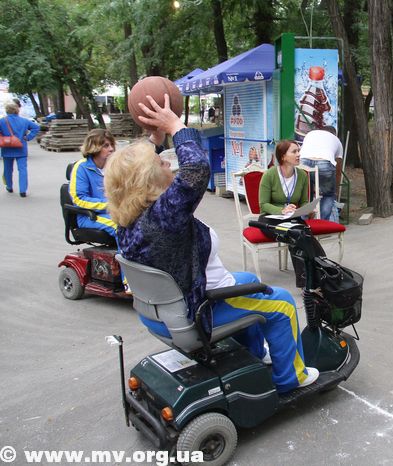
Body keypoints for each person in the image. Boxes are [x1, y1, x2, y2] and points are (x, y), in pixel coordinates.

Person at [104, 94, 318, 393]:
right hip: (200, 307)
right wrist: (176, 126)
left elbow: (134, 172)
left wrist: (156, 139)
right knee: (282, 303)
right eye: (160, 162)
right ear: (150, 179)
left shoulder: (129, 217)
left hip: (164, 311)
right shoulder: (165, 218)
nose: (167, 162)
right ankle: (290, 378)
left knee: (249, 280)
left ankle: (255, 355)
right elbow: (196, 171)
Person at [259, 140, 326, 287]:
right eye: (294, 151)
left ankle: (322, 273)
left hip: (292, 219)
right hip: (269, 219)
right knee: (296, 235)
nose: (298, 154)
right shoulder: (270, 174)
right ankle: (307, 283)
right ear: (283, 156)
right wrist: (281, 210)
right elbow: (263, 205)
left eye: (298, 151)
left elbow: (303, 201)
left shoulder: (302, 175)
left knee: (304, 235)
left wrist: (307, 209)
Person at [69, 129, 118, 237]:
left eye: (112, 145)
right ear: (94, 147)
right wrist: (109, 205)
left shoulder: (115, 166)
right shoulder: (82, 167)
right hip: (90, 216)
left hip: (115, 212)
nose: (111, 149)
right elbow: (79, 199)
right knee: (120, 227)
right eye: (106, 146)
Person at [299, 126, 343, 221]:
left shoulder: (311, 134)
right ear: (334, 134)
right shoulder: (337, 140)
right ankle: (322, 222)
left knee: (306, 194)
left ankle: (303, 221)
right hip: (324, 162)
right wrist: (335, 190)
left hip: (303, 161)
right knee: (328, 195)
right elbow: (338, 169)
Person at [1, 102, 40, 197]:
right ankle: (23, 190)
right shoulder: (24, 121)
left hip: (7, 148)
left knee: (7, 169)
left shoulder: (2, 121)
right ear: (17, 110)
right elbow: (36, 127)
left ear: (7, 110)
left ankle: (9, 186)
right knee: (22, 169)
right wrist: (28, 137)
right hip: (21, 148)